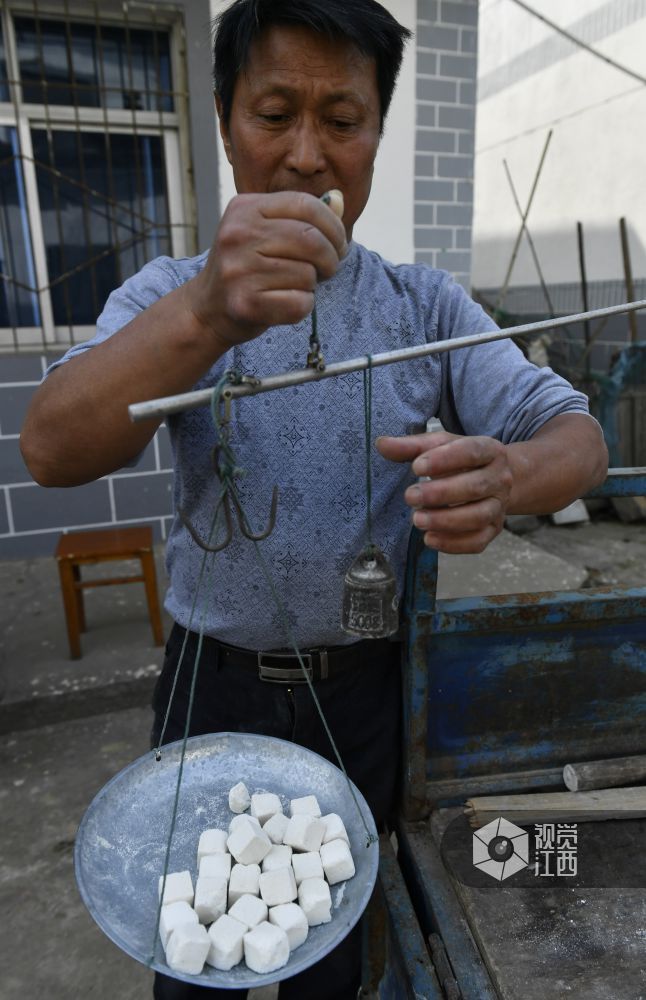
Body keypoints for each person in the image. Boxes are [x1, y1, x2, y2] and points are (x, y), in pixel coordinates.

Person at [20, 0, 608, 997]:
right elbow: (49, 447)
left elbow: (578, 436)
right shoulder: (171, 294)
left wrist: (508, 478)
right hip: (212, 681)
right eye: (273, 112)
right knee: (197, 945)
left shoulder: (423, 305)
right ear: (221, 119)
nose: (306, 154)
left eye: (342, 120)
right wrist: (206, 312)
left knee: (333, 947)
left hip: (362, 685)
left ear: (377, 131)